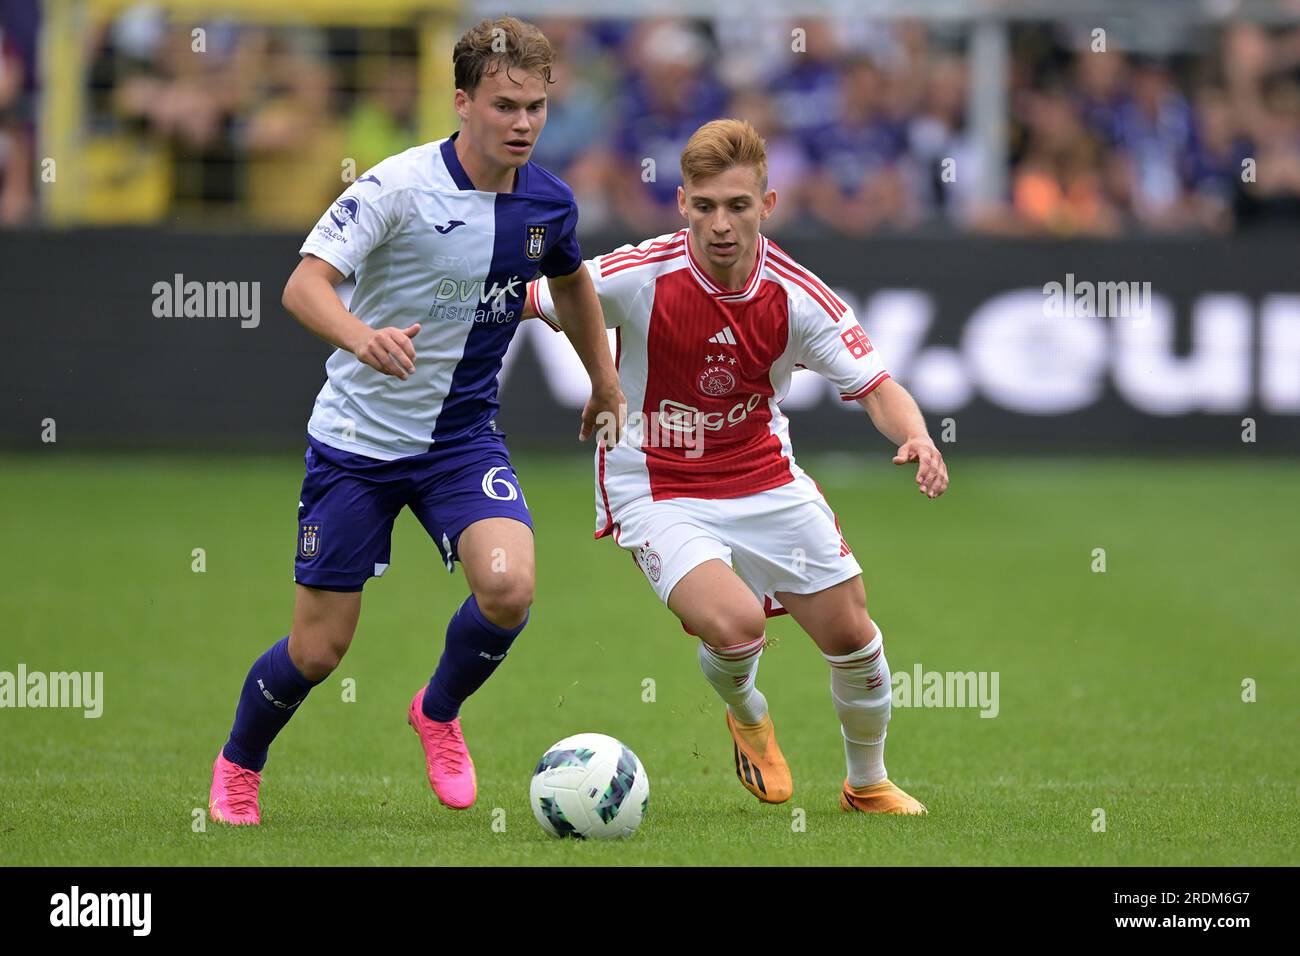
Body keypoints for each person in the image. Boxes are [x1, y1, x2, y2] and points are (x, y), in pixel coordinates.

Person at [208, 16, 622, 824]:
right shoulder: (396, 188)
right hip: (357, 446)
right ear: (462, 102)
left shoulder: (547, 201)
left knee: (509, 587)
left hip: (461, 441)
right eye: (506, 106)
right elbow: (303, 287)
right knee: (318, 651)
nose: (524, 123)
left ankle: (436, 710)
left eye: (537, 106)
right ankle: (239, 762)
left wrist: (603, 382)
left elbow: (571, 283)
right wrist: (363, 338)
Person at [525, 118, 946, 814]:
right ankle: (748, 712)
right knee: (736, 623)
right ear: (682, 202)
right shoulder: (640, 273)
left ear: (767, 206)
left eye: (738, 206)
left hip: (762, 475)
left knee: (855, 637)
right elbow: (542, 296)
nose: (721, 224)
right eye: (705, 205)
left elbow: (877, 386)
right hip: (656, 482)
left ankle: (866, 784)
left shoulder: (797, 296)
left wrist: (919, 437)